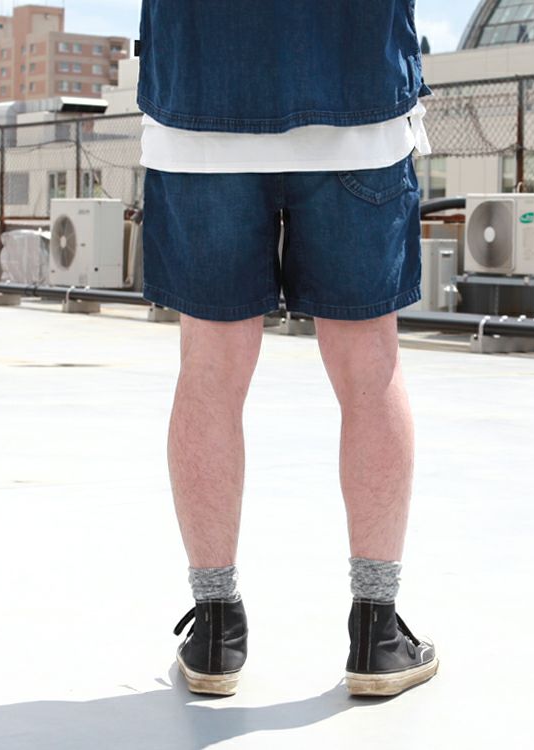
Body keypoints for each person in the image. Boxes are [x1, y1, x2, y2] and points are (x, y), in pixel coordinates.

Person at [137, 0, 438, 698]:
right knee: (369, 366)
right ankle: (376, 631)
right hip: (356, 103)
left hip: (200, 107)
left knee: (209, 369)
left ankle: (216, 631)